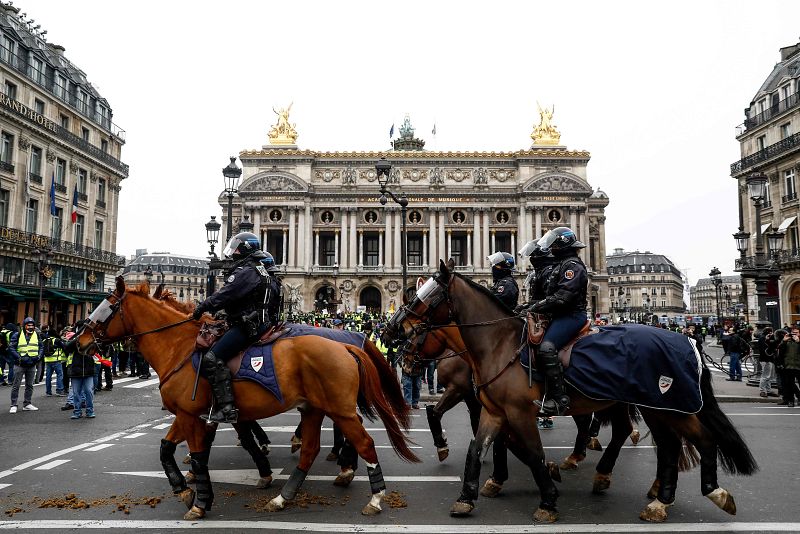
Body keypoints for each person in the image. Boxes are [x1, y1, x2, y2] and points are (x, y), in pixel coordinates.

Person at [190, 233, 280, 424]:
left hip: (248, 325)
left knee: (212, 358)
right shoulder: (260, 270)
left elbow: (226, 294)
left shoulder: (247, 271)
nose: (233, 252)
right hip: (259, 322)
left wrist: (202, 307)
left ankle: (227, 408)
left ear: (246, 248)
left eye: (237, 248)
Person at [526, 227, 588, 417]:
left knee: (547, 347)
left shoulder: (573, 266)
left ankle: (559, 398)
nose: (550, 248)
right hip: (559, 315)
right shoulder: (562, 265)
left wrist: (536, 307)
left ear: (562, 245)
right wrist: (528, 306)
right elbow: (550, 296)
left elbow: (562, 297)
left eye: (553, 244)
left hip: (572, 316)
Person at [8, 317, 42, 413]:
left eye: (32, 325)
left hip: (32, 364)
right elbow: (12, 347)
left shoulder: (37, 335)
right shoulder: (17, 334)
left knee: (30, 385)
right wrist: (18, 358)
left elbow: (41, 347)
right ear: (24, 326)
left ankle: (27, 403)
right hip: (20, 364)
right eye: (28, 325)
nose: (31, 327)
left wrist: (38, 357)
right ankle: (13, 405)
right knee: (16, 385)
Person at [777, 326, 800, 407]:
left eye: (796, 333)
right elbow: (779, 351)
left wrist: (798, 341)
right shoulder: (787, 341)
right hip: (788, 366)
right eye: (793, 333)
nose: (794, 334)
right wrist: (783, 341)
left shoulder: (799, 341)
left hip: (798, 366)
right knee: (790, 384)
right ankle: (791, 401)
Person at [759, 328, 783, 398]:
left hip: (769, 359)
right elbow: (765, 350)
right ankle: (763, 390)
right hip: (766, 359)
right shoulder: (763, 339)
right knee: (765, 376)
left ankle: (768, 390)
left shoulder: (767, 339)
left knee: (769, 376)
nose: (772, 333)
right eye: (771, 332)